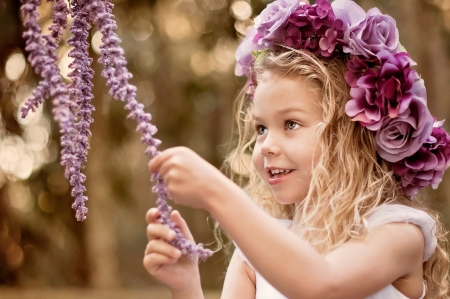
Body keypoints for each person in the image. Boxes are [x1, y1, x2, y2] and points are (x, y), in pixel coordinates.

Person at [143, 0, 450, 298]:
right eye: (261, 128)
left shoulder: (397, 233)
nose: (266, 146)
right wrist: (185, 286)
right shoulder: (253, 257)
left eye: (290, 124)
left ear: (349, 135)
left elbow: (323, 285)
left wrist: (215, 193)